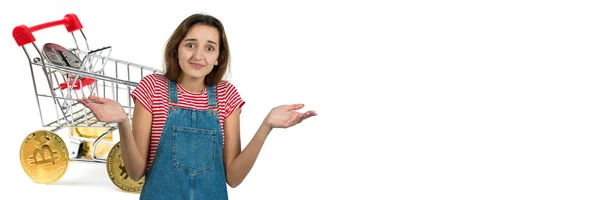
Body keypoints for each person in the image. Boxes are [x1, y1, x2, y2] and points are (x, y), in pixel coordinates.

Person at [77, 13, 317, 199]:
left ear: (218, 58)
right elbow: (135, 171)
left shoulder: (227, 95)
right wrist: (122, 122)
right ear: (177, 49)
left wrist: (266, 126)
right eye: (190, 45)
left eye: (209, 48)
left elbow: (233, 177)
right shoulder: (152, 88)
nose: (198, 56)